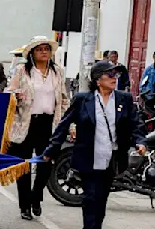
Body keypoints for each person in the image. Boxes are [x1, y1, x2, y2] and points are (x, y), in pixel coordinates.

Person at [43, 60, 147, 229]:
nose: (115, 78)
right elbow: (63, 126)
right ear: (98, 80)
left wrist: (140, 142)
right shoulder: (83, 100)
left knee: (101, 199)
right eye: (111, 75)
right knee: (90, 197)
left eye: (117, 74)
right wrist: (51, 150)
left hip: (112, 159)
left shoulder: (124, 99)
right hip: (88, 157)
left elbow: (135, 124)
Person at [6, 36, 70, 221]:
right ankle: (24, 206)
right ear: (32, 53)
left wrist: (68, 122)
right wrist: (15, 97)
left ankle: (36, 196)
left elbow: (64, 98)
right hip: (26, 123)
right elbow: (10, 92)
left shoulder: (57, 72)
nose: (44, 51)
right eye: (39, 49)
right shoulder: (22, 71)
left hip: (49, 124)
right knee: (23, 166)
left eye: (47, 49)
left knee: (45, 165)